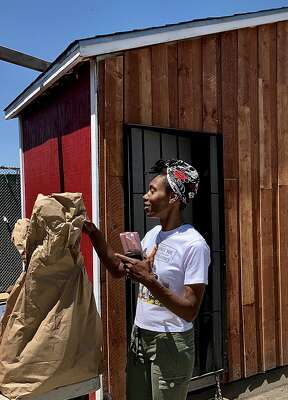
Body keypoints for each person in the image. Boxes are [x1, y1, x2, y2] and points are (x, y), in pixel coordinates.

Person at [82, 159, 210, 400]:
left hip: (171, 342)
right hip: (140, 336)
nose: (145, 196)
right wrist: (94, 234)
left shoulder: (194, 244)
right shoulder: (153, 235)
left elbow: (190, 310)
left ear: (173, 198)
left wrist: (149, 280)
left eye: (153, 190)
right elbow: (119, 270)